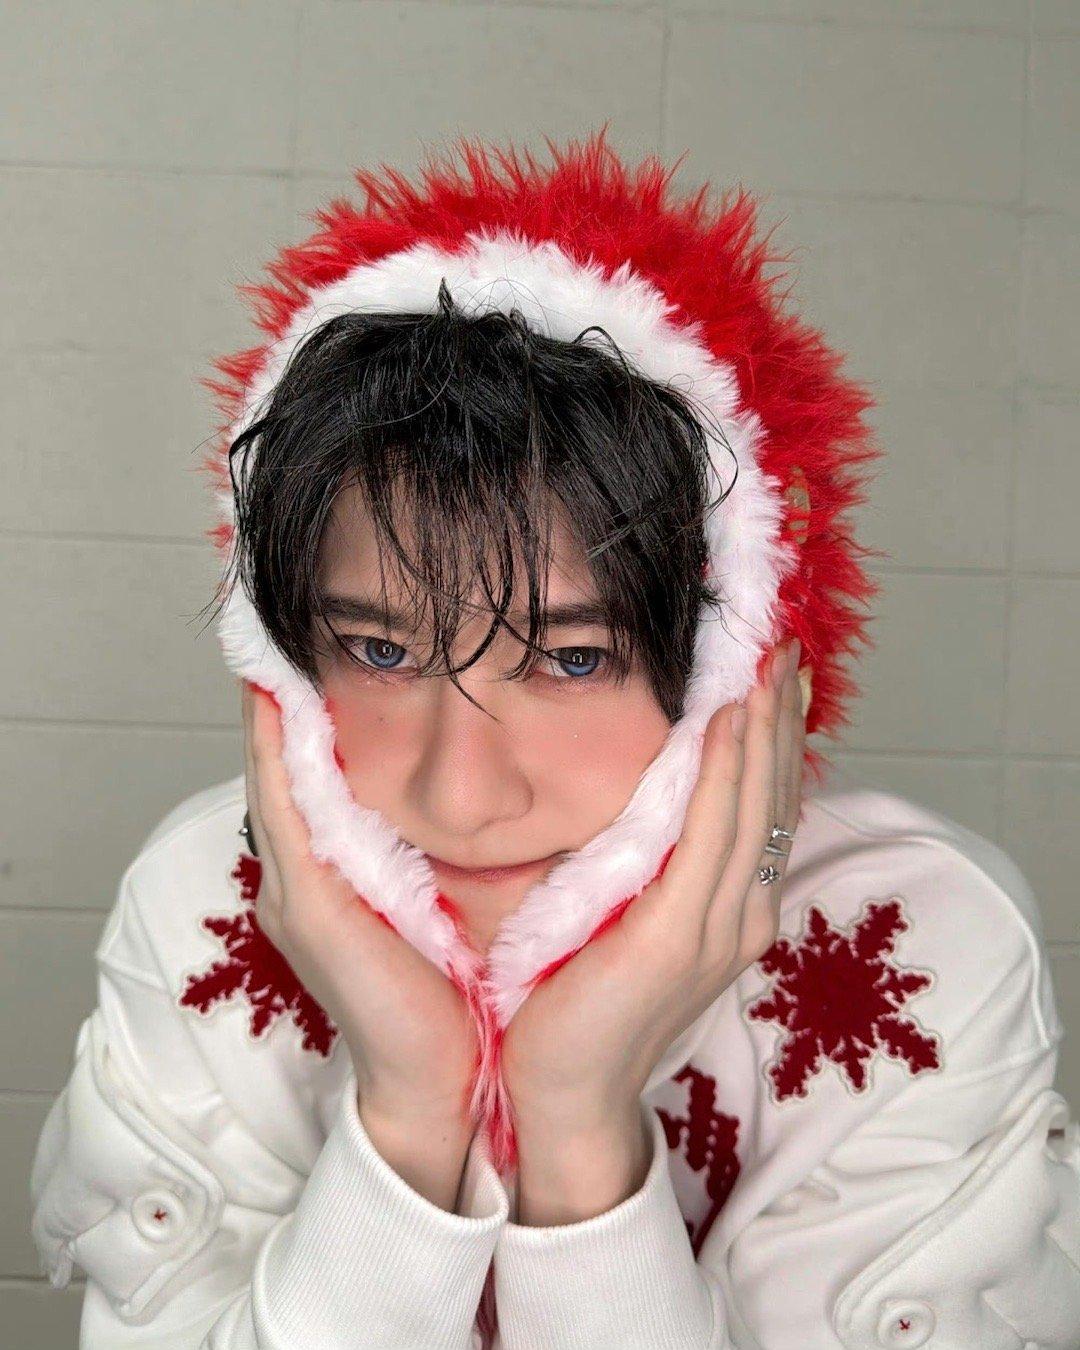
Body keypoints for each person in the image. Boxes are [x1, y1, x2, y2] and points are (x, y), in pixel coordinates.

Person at [29, 129, 1080, 1349]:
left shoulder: (914, 940)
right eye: (379, 650)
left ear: (739, 664)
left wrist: (580, 1135)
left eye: (573, 660)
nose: (459, 795)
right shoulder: (210, 898)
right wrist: (407, 1117)